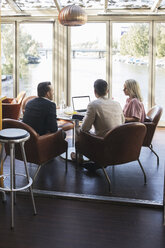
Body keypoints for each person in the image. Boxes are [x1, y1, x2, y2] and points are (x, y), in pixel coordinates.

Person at [71, 79, 125, 170]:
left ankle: (79, 157)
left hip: (102, 143)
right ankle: (100, 160)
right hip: (118, 142)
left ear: (95, 91)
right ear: (107, 91)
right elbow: (123, 121)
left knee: (77, 129)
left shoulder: (93, 105)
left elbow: (84, 128)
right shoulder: (117, 103)